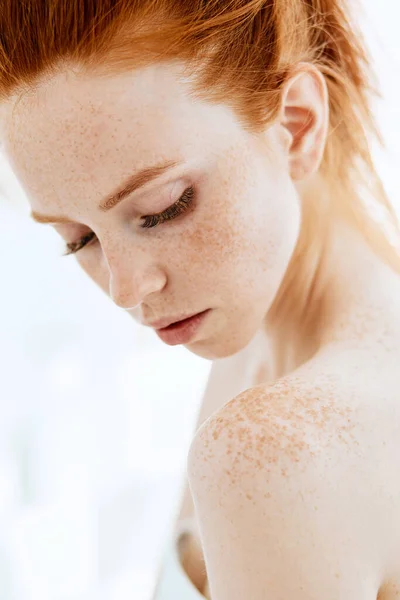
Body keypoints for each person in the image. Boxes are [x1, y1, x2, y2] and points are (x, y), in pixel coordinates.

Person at [1, 0, 399, 598]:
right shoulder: (260, 330)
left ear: (296, 123)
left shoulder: (275, 447)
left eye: (164, 209)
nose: (125, 290)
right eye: (77, 238)